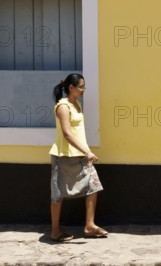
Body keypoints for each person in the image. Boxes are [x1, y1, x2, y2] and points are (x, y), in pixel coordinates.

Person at [49, 73, 107, 242]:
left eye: (84, 87)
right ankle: (55, 231)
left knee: (93, 185)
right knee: (58, 194)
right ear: (71, 87)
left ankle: (89, 225)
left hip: (81, 155)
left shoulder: (76, 105)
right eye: (81, 87)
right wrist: (87, 151)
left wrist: (86, 151)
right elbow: (67, 134)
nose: (83, 90)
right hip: (64, 156)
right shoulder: (63, 107)